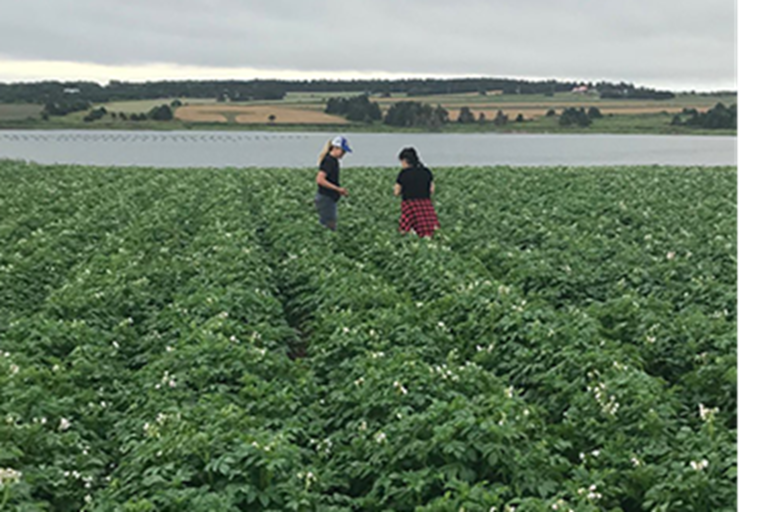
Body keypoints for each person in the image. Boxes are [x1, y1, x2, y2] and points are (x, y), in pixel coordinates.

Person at [394, 147, 440, 238]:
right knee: (429, 228)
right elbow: (432, 190)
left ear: (405, 160)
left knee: (405, 229)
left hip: (410, 205)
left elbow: (396, 192)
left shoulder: (404, 173)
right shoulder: (426, 172)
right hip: (426, 204)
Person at [315, 136, 352, 231]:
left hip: (329, 198)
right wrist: (337, 189)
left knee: (329, 223)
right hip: (325, 198)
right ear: (335, 148)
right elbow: (320, 179)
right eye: (342, 151)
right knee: (328, 225)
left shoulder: (334, 161)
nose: (343, 154)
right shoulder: (329, 161)